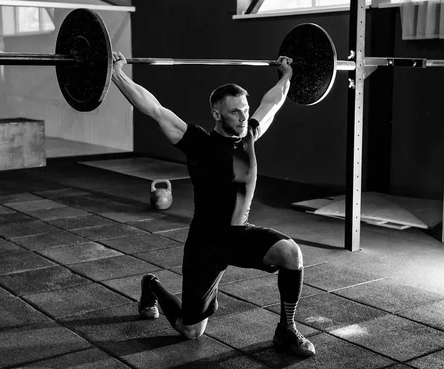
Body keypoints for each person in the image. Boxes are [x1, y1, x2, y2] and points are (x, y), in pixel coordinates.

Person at [111, 51, 315, 358]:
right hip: (205, 243)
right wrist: (115, 73)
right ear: (218, 115)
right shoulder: (199, 144)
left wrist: (286, 74)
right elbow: (154, 109)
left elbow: (272, 103)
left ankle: (286, 329)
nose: (244, 117)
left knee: (291, 253)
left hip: (239, 234)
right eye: (236, 113)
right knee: (191, 332)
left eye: (245, 110)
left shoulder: (249, 135)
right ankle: (151, 285)